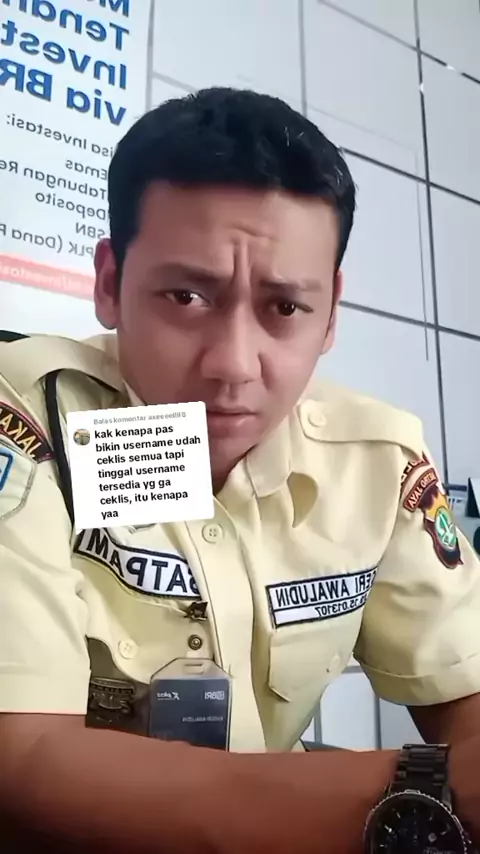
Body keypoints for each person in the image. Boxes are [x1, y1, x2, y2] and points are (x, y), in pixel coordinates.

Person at [0, 87, 480, 854]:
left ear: (331, 314)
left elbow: (466, 692)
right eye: (186, 295)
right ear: (109, 283)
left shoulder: (378, 462)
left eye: (284, 308)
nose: (233, 365)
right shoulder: (24, 424)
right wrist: (421, 792)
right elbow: (22, 759)